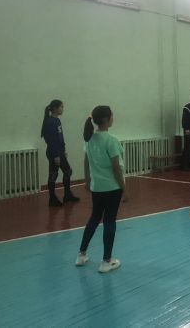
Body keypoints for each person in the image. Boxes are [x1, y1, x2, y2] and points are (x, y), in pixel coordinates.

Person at [76, 106, 128, 273]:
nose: (113, 118)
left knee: (94, 217)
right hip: (112, 187)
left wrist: (87, 180)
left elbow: (86, 161)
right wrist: (124, 188)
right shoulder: (111, 140)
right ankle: (106, 261)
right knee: (109, 221)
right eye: (112, 115)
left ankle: (81, 254)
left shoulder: (89, 139)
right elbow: (116, 167)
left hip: (97, 187)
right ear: (106, 119)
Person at [41, 99, 79, 207]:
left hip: (59, 151)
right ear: (55, 108)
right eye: (61, 107)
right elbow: (51, 140)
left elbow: (60, 137)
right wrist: (56, 155)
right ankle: (52, 198)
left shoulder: (57, 120)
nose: (63, 109)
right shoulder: (50, 122)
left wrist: (63, 150)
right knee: (53, 174)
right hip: (54, 152)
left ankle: (67, 195)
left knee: (67, 171)